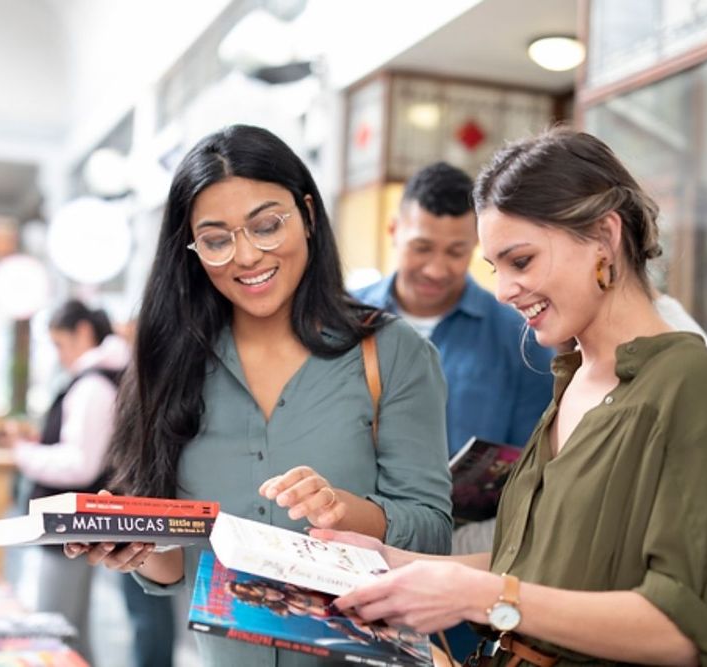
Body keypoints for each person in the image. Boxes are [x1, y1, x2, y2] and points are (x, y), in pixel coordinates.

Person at [317, 128, 707, 666]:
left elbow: (684, 631)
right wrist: (392, 562)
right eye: (495, 268)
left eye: (520, 261)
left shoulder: (689, 383)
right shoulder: (571, 378)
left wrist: (479, 597)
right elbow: (534, 566)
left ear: (604, 236)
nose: (503, 291)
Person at [65, 124, 453, 667]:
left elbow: (433, 534)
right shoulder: (173, 361)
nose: (246, 256)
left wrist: (346, 510)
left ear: (309, 217)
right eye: (217, 239)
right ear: (193, 250)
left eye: (267, 225)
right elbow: (176, 568)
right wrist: (133, 546)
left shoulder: (391, 353)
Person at [5, 300, 174, 665]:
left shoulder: (94, 384)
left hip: (72, 523)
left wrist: (23, 454)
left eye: (60, 344)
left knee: (56, 632)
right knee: (70, 634)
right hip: (79, 524)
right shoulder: (105, 378)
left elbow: (80, 464)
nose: (59, 355)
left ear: (83, 332)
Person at [352, 161, 554, 458]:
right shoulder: (338, 319)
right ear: (394, 230)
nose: (436, 270)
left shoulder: (521, 338)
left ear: (476, 244)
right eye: (421, 248)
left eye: (456, 252)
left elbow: (532, 458)